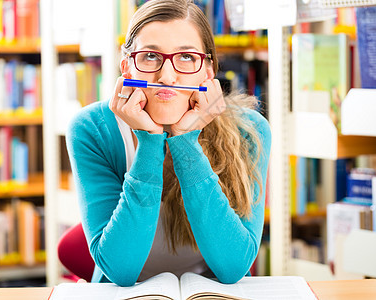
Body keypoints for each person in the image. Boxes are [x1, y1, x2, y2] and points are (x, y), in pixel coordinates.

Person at [66, 0, 271, 287]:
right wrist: (149, 142)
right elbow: (120, 270)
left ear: (208, 71)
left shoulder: (250, 130)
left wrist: (185, 141)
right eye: (150, 56)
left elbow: (233, 265)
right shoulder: (91, 129)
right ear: (126, 67)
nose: (167, 76)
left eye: (186, 57)